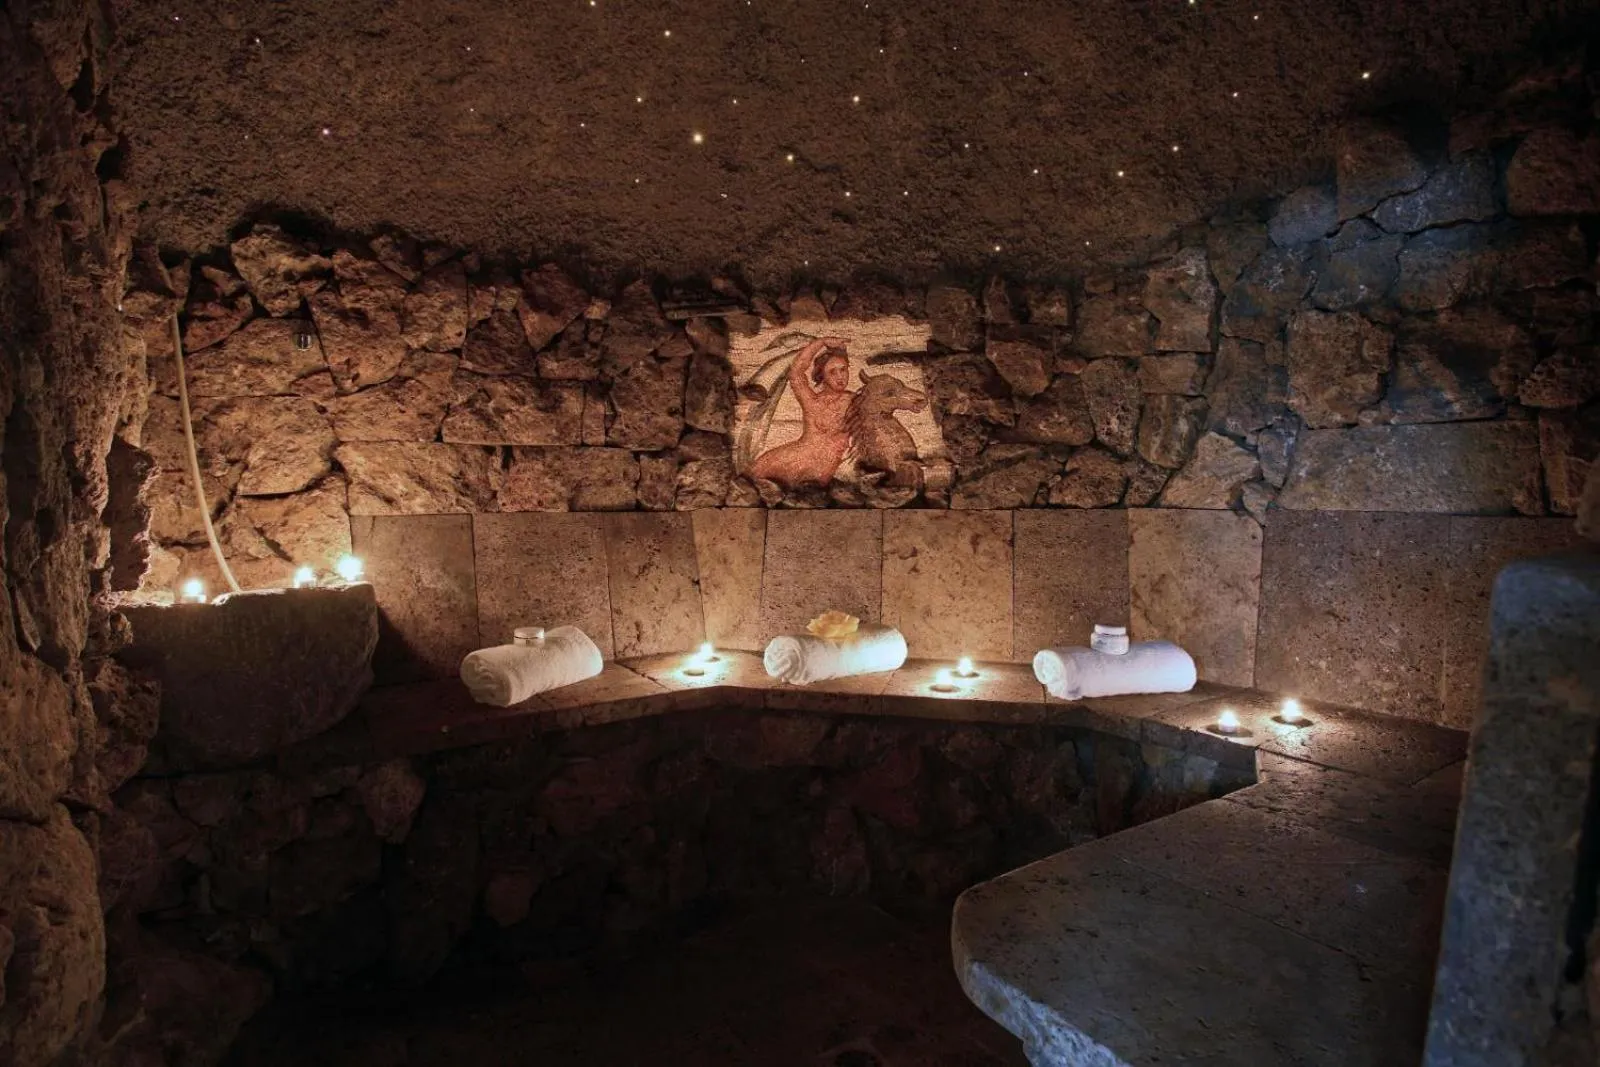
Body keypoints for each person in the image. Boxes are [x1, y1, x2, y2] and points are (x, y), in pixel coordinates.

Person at [748, 336, 854, 486]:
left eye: (843, 370)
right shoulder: (811, 401)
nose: (840, 377)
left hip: (819, 471)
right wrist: (821, 342)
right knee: (749, 481)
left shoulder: (855, 401)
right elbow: (796, 372)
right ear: (822, 376)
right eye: (832, 372)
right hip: (788, 461)